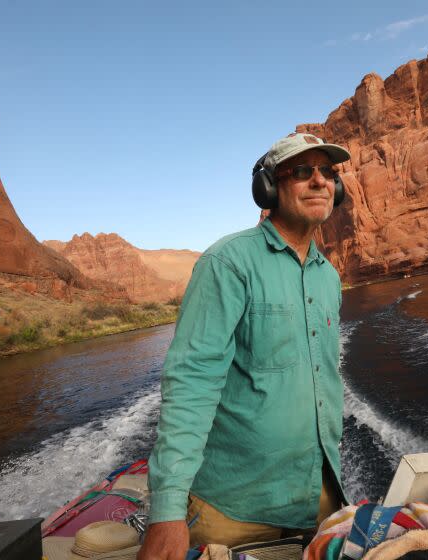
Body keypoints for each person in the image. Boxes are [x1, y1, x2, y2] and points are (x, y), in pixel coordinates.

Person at [139, 133, 351, 560]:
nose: (319, 181)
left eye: (328, 172)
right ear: (269, 187)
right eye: (302, 171)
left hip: (319, 499)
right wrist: (167, 512)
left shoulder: (328, 276)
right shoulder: (227, 264)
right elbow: (191, 384)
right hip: (233, 510)